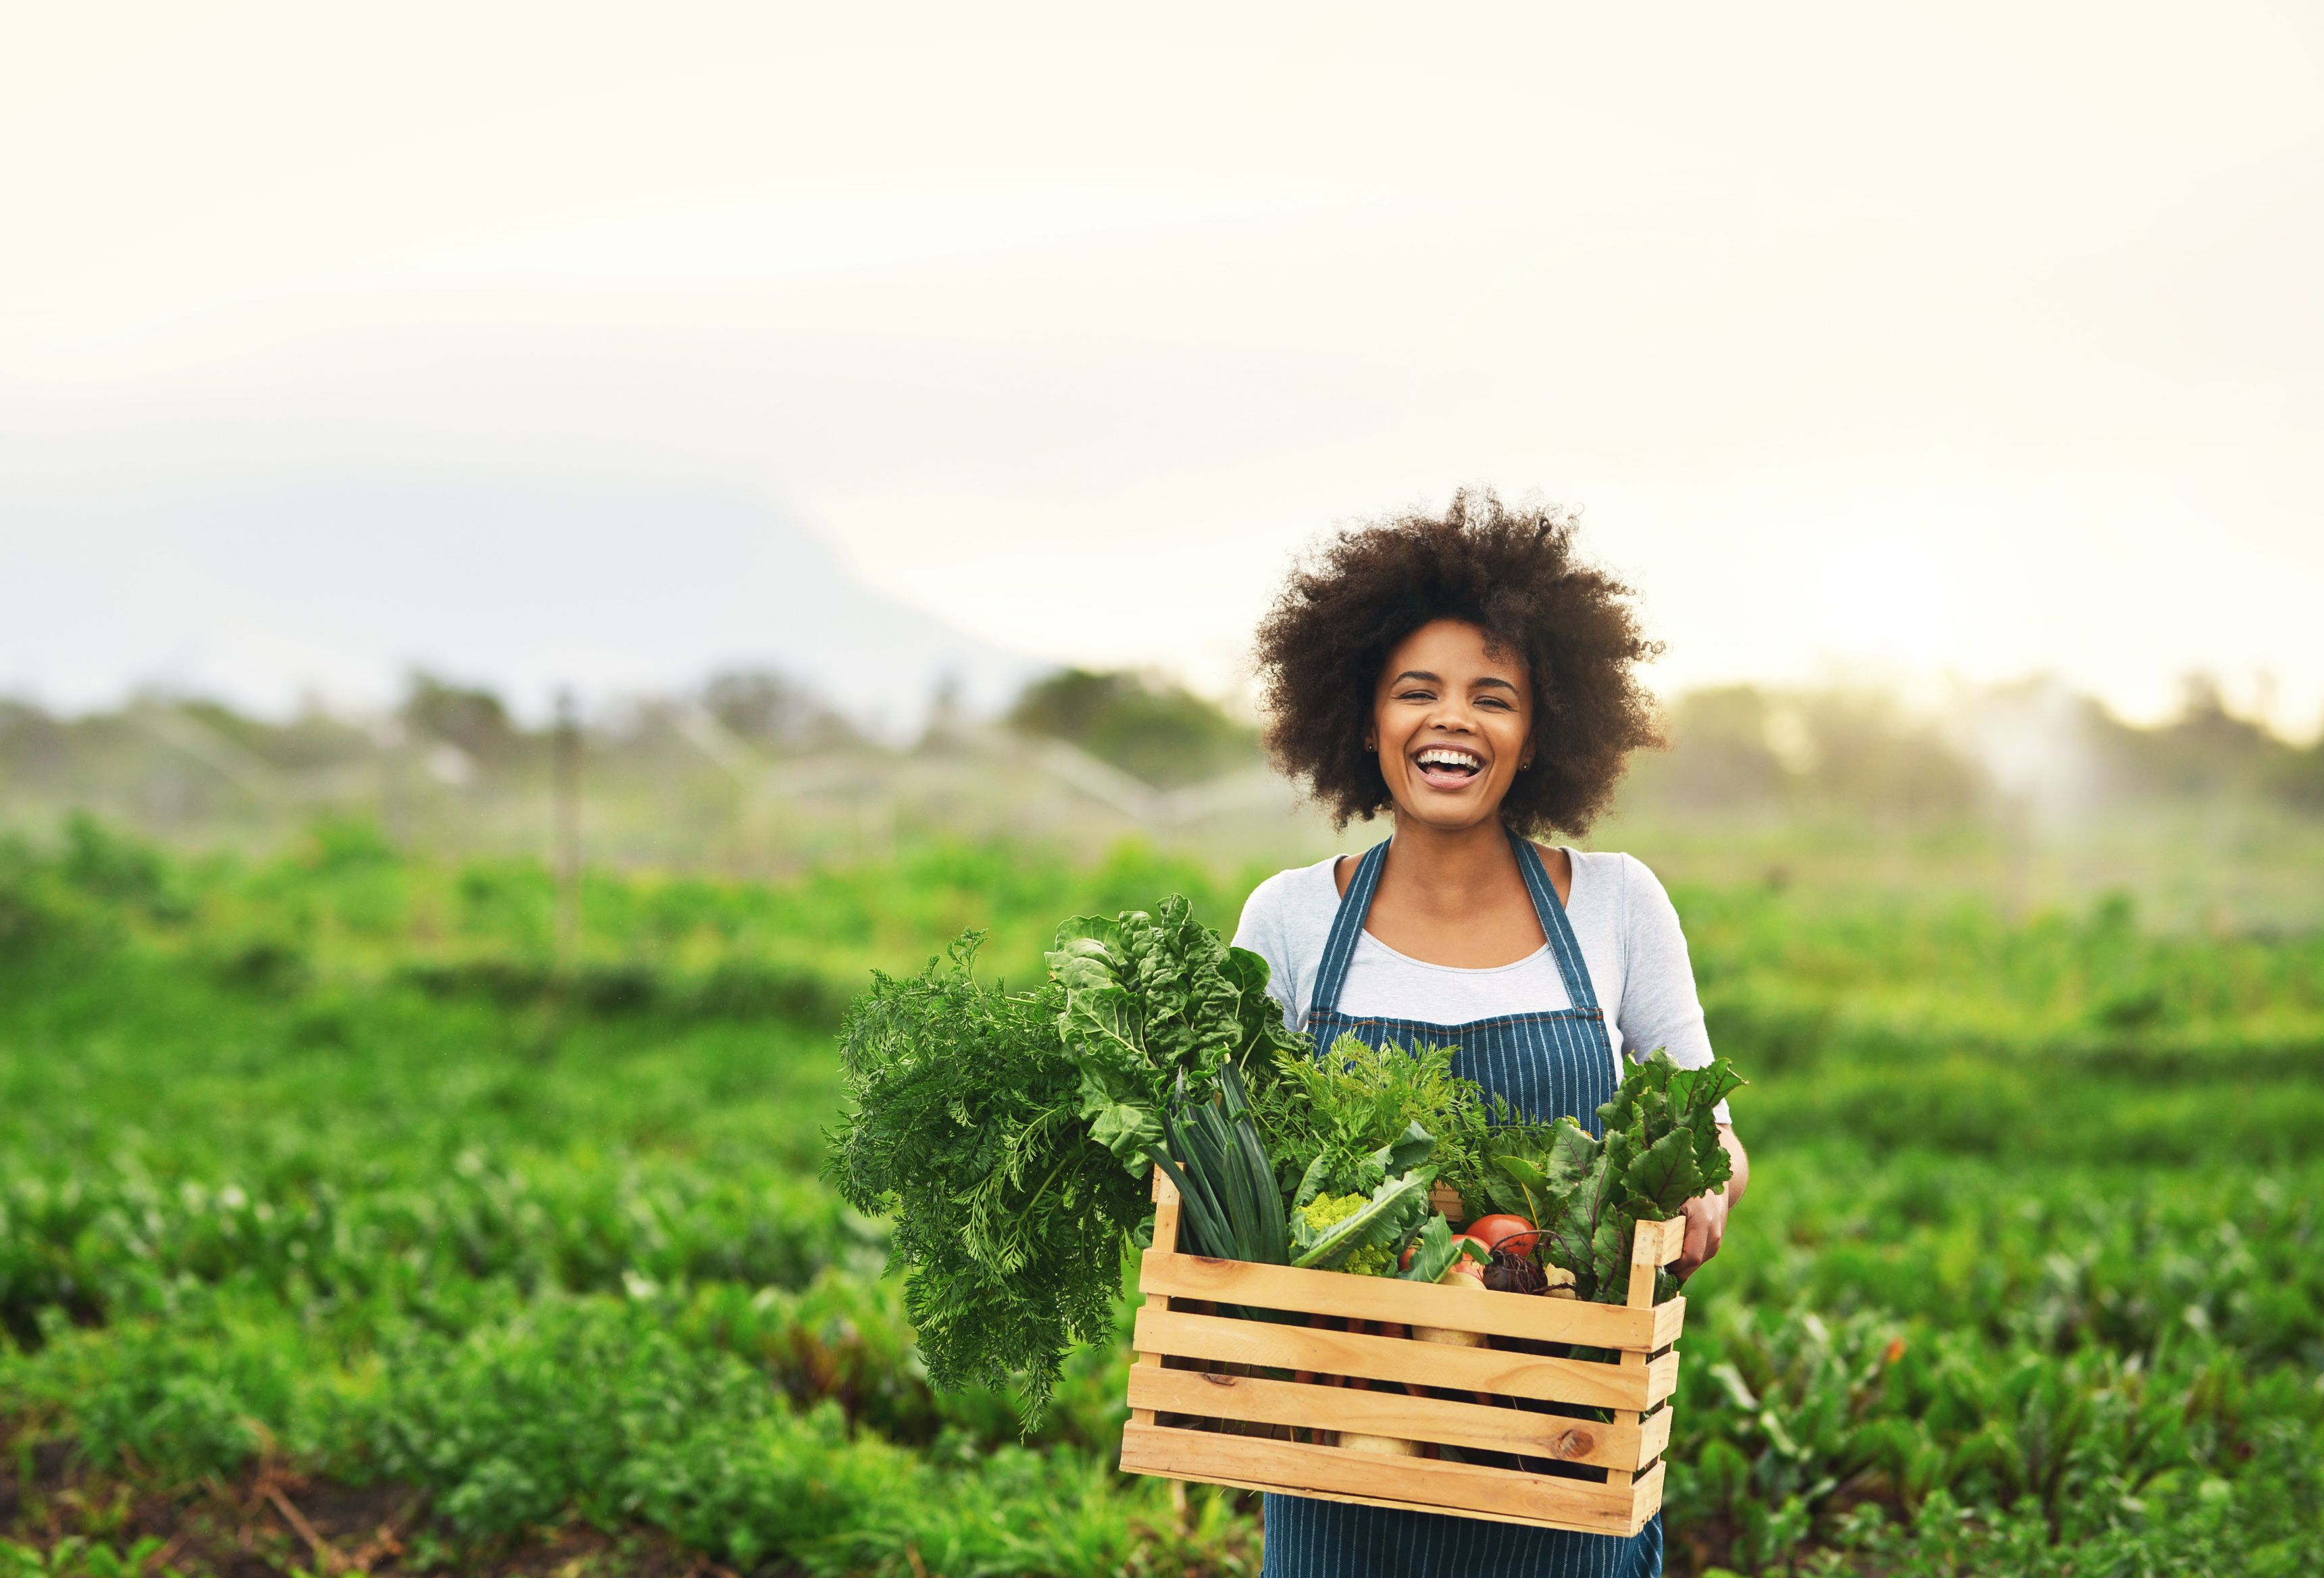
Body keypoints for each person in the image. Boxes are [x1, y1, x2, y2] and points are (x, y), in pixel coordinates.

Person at [1232, 490, 1748, 1578]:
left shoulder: (1618, 904)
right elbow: (1237, 1161)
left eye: (1493, 697)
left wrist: (1709, 1178)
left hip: (1561, 1451)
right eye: (1416, 691)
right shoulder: (1289, 918)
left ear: (1540, 730)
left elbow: (1708, 1123)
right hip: (1347, 1465)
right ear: (1363, 720)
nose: (1452, 720)